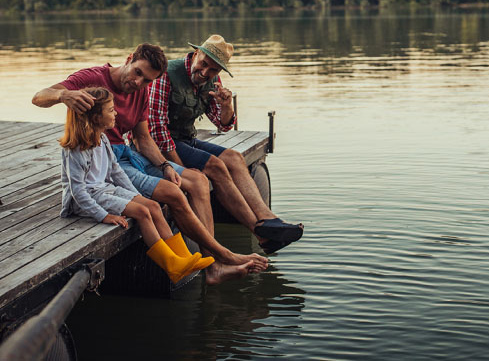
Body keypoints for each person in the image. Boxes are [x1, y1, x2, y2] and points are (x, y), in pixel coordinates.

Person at [33, 43, 268, 285]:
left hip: (128, 154)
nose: (139, 83)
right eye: (137, 73)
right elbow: (38, 97)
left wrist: (165, 165)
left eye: (147, 80)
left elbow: (143, 138)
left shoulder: (142, 91)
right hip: (106, 159)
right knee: (173, 194)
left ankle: (212, 267)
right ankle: (222, 257)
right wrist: (63, 95)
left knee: (198, 180)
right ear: (129, 59)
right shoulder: (93, 79)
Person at [149, 35, 304, 254]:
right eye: (203, 64)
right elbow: (156, 131)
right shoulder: (167, 74)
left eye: (212, 70)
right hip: (162, 145)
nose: (205, 72)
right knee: (215, 166)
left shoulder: (212, 80)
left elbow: (223, 125)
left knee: (234, 157)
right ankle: (260, 232)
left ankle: (267, 219)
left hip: (186, 139)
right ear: (196, 54)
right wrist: (179, 169)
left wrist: (226, 105)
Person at [59, 86, 214, 284]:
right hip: (84, 200)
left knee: (153, 206)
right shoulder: (76, 149)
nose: (115, 113)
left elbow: (116, 172)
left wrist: (136, 195)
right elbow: (78, 191)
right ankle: (171, 266)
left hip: (104, 189)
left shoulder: (103, 140)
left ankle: (183, 258)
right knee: (142, 212)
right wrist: (104, 216)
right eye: (110, 110)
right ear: (96, 117)